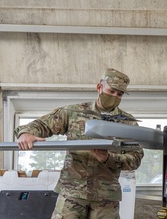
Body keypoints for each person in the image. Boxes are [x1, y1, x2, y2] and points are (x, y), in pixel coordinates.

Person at [15, 68, 144, 219]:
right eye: (111, 91)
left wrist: (108, 158)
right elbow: (42, 124)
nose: (115, 96)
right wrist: (26, 133)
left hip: (106, 197)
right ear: (99, 88)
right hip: (72, 193)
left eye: (119, 94)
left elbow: (135, 159)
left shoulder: (128, 123)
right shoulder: (73, 112)